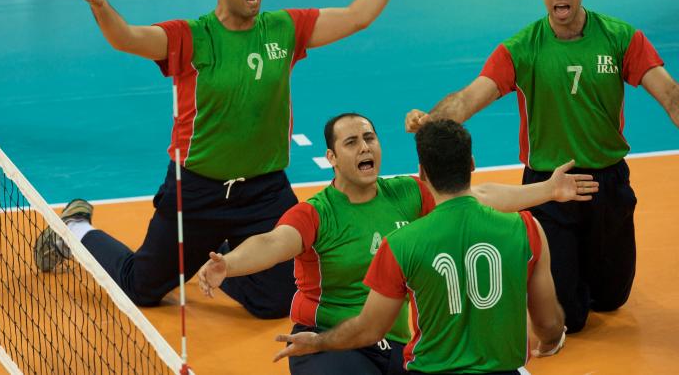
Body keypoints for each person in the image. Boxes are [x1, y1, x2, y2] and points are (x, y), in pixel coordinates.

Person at [33, 0, 429, 319]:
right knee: (143, 287)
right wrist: (100, 5)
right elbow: (128, 38)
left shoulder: (284, 28)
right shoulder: (193, 37)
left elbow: (358, 16)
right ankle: (76, 228)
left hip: (264, 189)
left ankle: (222, 256)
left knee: (278, 301)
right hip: (198, 191)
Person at [404, 0, 679, 333]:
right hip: (548, 188)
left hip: (607, 182)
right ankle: (542, 269)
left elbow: (670, 94)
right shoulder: (521, 49)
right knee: (571, 319)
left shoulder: (621, 38)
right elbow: (467, 99)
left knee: (612, 298)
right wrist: (430, 119)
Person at [198, 113, 593, 374]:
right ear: (331, 158)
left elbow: (475, 196)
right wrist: (228, 265)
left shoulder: (405, 193)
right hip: (329, 341)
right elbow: (272, 242)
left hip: (393, 339)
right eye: (351, 143)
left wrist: (547, 189)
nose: (365, 147)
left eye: (369, 138)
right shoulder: (317, 213)